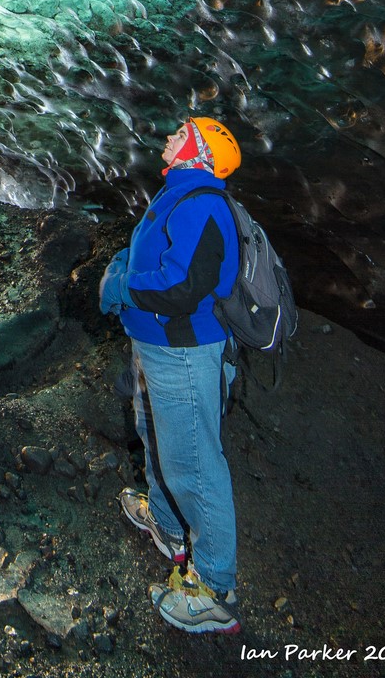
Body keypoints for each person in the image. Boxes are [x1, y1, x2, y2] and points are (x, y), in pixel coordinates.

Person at [99, 116, 243, 635]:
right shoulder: (177, 195)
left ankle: (215, 590)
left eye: (180, 133)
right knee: (155, 437)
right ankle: (167, 525)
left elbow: (183, 287)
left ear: (200, 150)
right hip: (154, 345)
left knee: (196, 466)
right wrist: (121, 267)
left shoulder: (204, 203)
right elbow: (151, 254)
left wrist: (122, 288)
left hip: (183, 352)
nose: (167, 137)